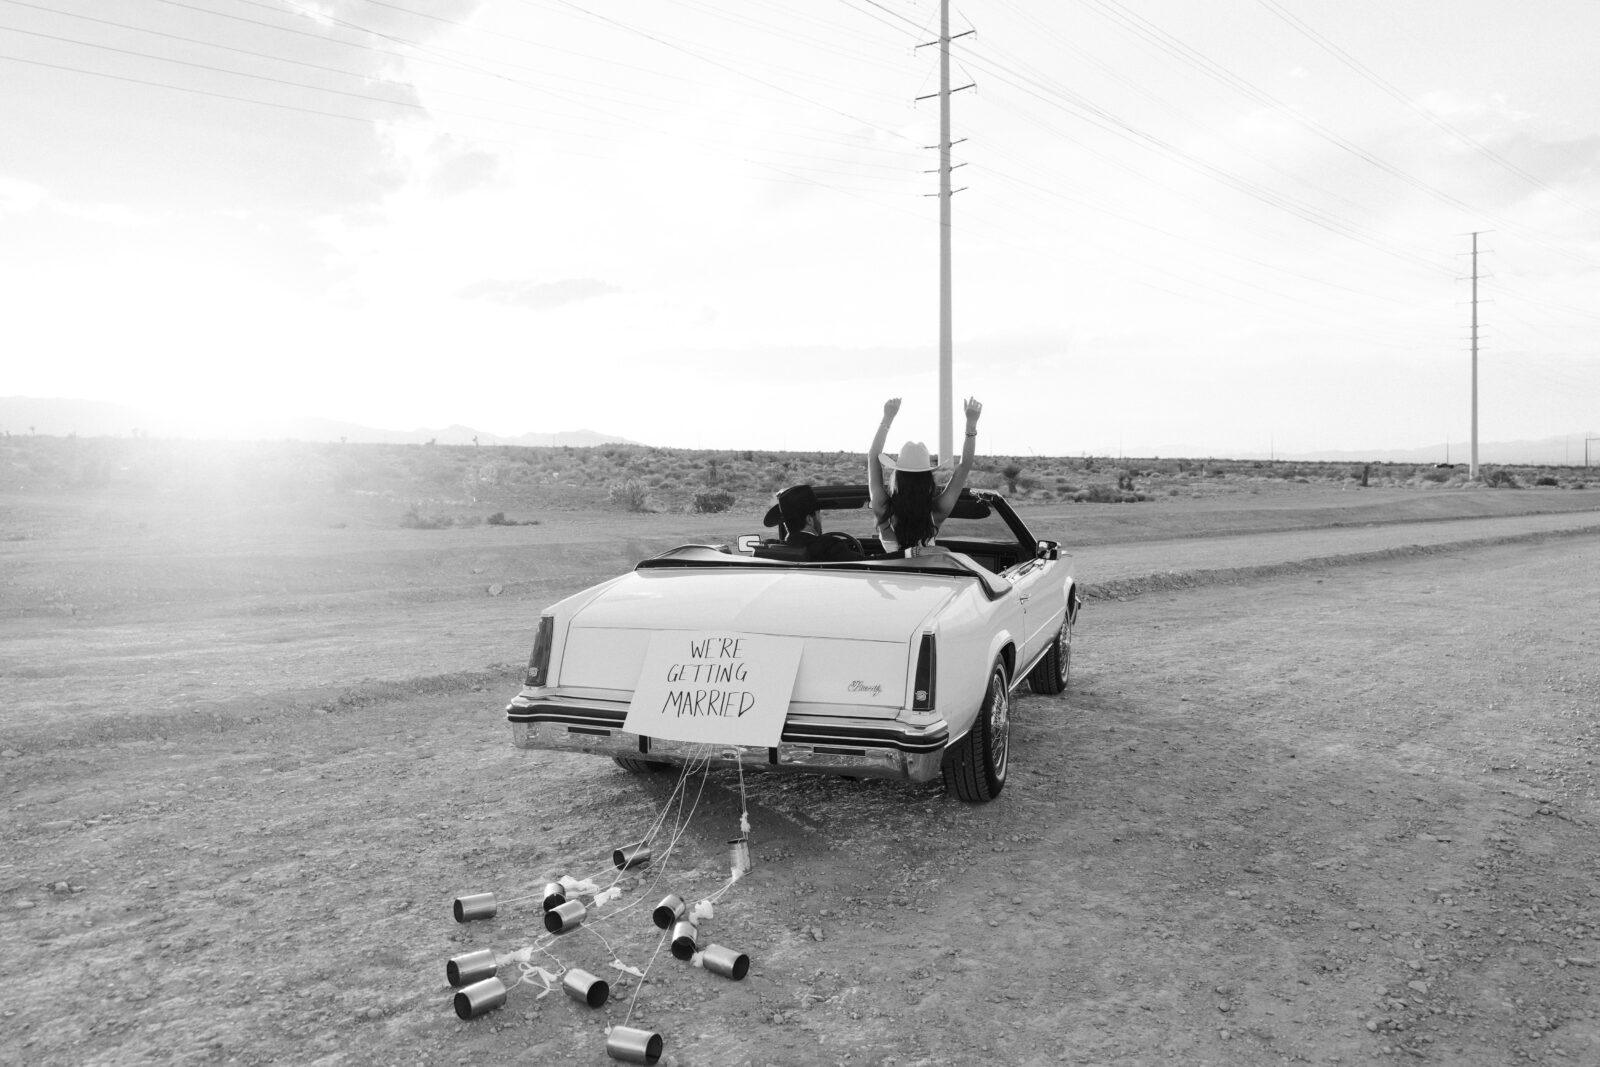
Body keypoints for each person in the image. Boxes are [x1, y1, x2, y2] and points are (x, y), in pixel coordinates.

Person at [869, 396, 983, 557]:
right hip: (928, 579)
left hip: (891, 579)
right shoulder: (937, 511)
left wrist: (887, 418)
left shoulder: (883, 508)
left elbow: (873, 458)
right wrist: (971, 424)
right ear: (927, 479)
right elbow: (964, 467)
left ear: (897, 475)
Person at [761, 484, 864, 562]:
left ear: (785, 524)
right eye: (818, 514)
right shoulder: (830, 547)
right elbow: (864, 564)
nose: (820, 518)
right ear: (809, 519)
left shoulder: (772, 550)